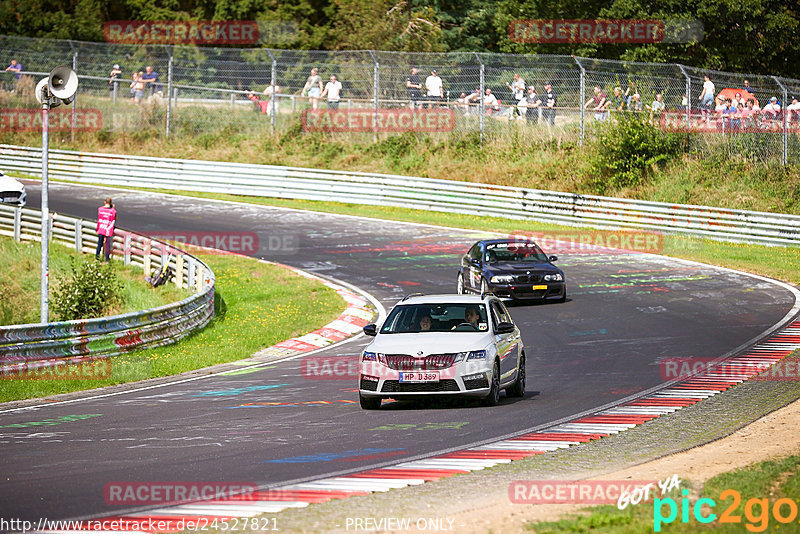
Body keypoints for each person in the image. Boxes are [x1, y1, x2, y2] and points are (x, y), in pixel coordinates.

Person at [95, 198, 117, 262]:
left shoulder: (100, 209)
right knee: (107, 244)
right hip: (108, 229)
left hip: (101, 228)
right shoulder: (113, 211)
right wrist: (113, 208)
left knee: (99, 243)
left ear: (105, 202)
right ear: (110, 203)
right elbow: (115, 218)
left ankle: (97, 257)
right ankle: (107, 258)